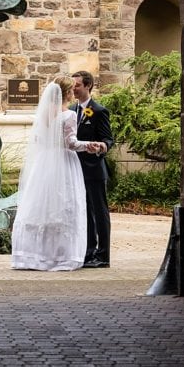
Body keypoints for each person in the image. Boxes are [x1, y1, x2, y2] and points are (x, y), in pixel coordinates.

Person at [11, 76, 105, 271]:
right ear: (67, 93)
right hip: (64, 163)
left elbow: (39, 140)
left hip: (44, 164)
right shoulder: (68, 115)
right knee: (64, 206)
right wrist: (90, 146)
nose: (74, 93)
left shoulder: (43, 114)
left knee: (43, 207)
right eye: (72, 89)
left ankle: (35, 256)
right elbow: (71, 143)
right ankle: (61, 256)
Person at [70, 70, 114, 268]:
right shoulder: (71, 111)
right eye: (73, 85)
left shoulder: (99, 111)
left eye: (77, 85)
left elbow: (108, 139)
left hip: (94, 169)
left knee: (100, 212)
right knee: (85, 213)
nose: (74, 88)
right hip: (76, 170)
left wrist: (101, 147)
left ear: (88, 86)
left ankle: (103, 256)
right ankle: (89, 252)